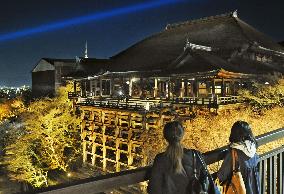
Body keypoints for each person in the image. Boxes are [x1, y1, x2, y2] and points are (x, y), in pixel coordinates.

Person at [148, 121, 217, 194]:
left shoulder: (160, 159)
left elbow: (153, 189)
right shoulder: (195, 155)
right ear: (182, 136)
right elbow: (207, 182)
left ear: (165, 137)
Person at [217, 121, 260, 194]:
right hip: (254, 188)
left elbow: (222, 175)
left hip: (240, 189)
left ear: (234, 134)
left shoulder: (234, 153)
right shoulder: (253, 149)